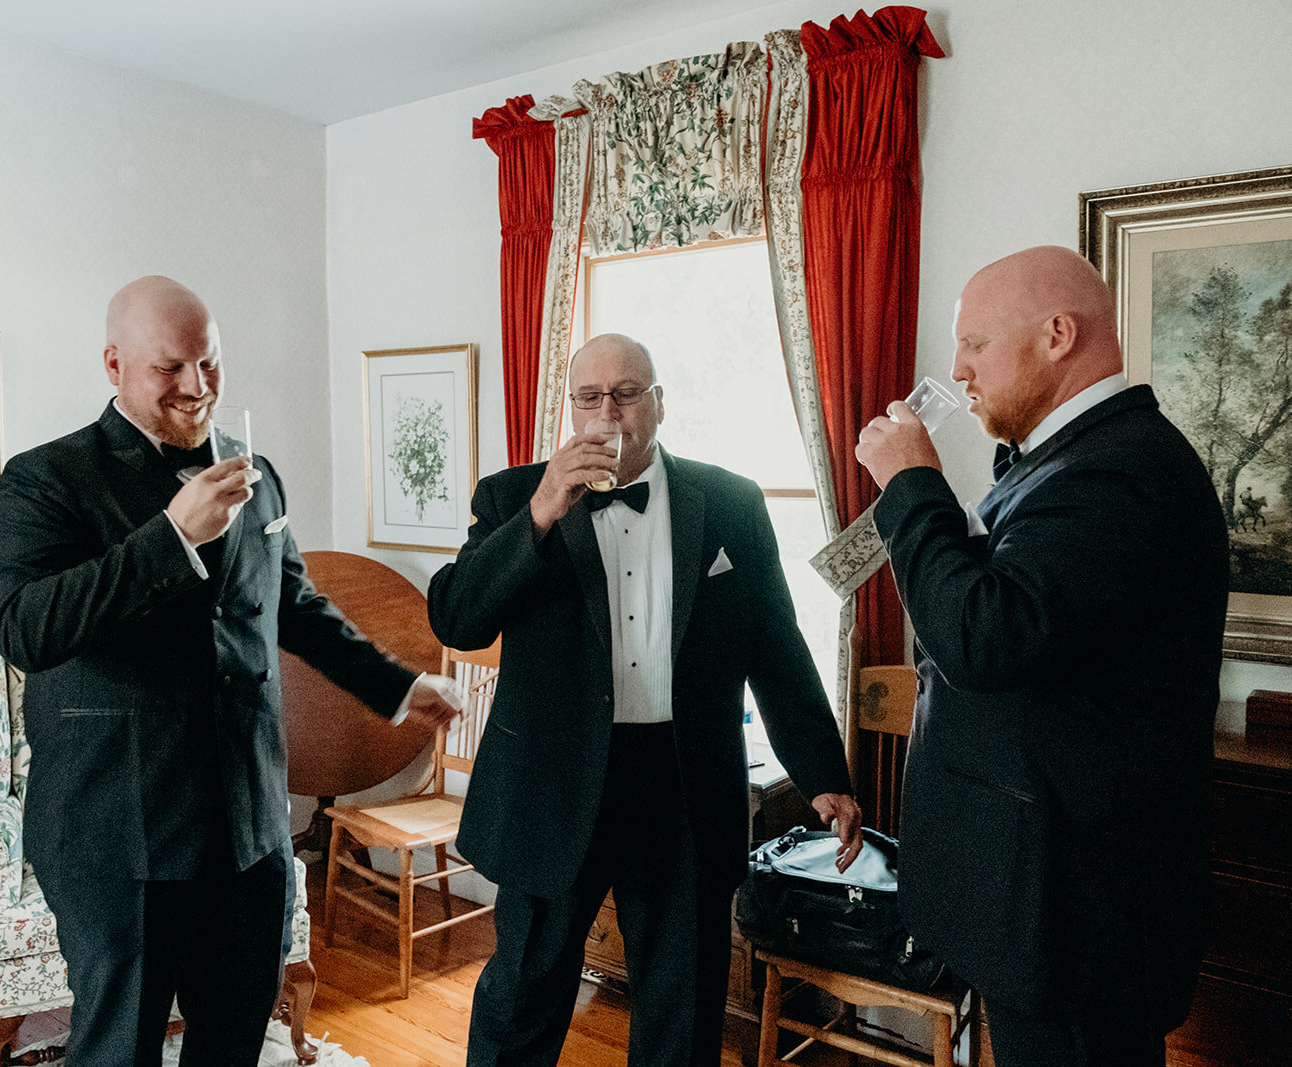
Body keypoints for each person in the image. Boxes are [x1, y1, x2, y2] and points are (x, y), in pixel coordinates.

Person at [0, 276, 460, 1067]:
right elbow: (25, 628)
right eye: (171, 368)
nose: (197, 387)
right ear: (114, 365)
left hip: (248, 829)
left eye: (210, 364)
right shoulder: (47, 478)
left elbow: (297, 605)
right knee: (118, 1051)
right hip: (117, 835)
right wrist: (169, 535)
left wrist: (399, 685)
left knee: (236, 1041)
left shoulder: (255, 472)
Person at [428, 333, 863, 1065]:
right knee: (520, 1000)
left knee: (683, 1011)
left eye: (627, 394)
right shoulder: (512, 496)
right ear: (571, 409)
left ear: (658, 402)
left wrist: (823, 772)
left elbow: (776, 647)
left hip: (684, 784)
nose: (610, 414)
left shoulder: (730, 502)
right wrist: (540, 511)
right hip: (553, 787)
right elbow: (457, 617)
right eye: (590, 398)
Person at [854, 246, 1229, 1067]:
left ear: (1058, 334)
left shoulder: (1122, 471)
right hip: (1040, 901)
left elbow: (985, 635)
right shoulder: (1070, 463)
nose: (957, 370)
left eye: (976, 345)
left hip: (1078, 914)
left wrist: (911, 485)